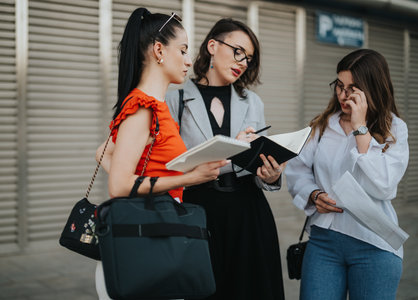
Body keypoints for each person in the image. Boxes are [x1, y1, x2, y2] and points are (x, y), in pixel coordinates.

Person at [94, 8, 229, 300]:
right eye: (182, 50)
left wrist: (159, 181)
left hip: (153, 240)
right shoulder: (143, 107)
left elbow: (101, 153)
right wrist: (189, 177)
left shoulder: (152, 106)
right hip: (143, 251)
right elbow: (118, 185)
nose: (189, 61)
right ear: (159, 50)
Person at [165, 18, 285, 300]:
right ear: (212, 46)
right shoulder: (175, 99)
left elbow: (257, 163)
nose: (243, 62)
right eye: (238, 51)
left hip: (249, 214)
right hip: (199, 211)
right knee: (204, 290)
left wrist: (271, 175)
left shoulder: (252, 102)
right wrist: (232, 150)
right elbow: (173, 164)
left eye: (249, 58)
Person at [285, 49, 409, 300]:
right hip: (323, 243)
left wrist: (360, 129)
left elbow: (385, 186)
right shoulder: (321, 125)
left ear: (372, 88)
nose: (343, 95)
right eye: (339, 85)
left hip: (373, 244)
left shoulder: (394, 128)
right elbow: (297, 171)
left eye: (352, 89)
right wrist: (313, 193)